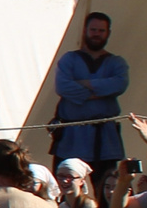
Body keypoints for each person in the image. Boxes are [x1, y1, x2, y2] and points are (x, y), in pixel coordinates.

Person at [50, 11, 129, 187]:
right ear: (85, 30)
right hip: (72, 136)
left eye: (101, 30)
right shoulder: (69, 59)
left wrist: (83, 84)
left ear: (108, 33)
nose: (96, 34)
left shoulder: (116, 63)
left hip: (104, 137)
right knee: (66, 189)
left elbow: (119, 85)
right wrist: (100, 91)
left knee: (106, 189)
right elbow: (62, 87)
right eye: (93, 29)